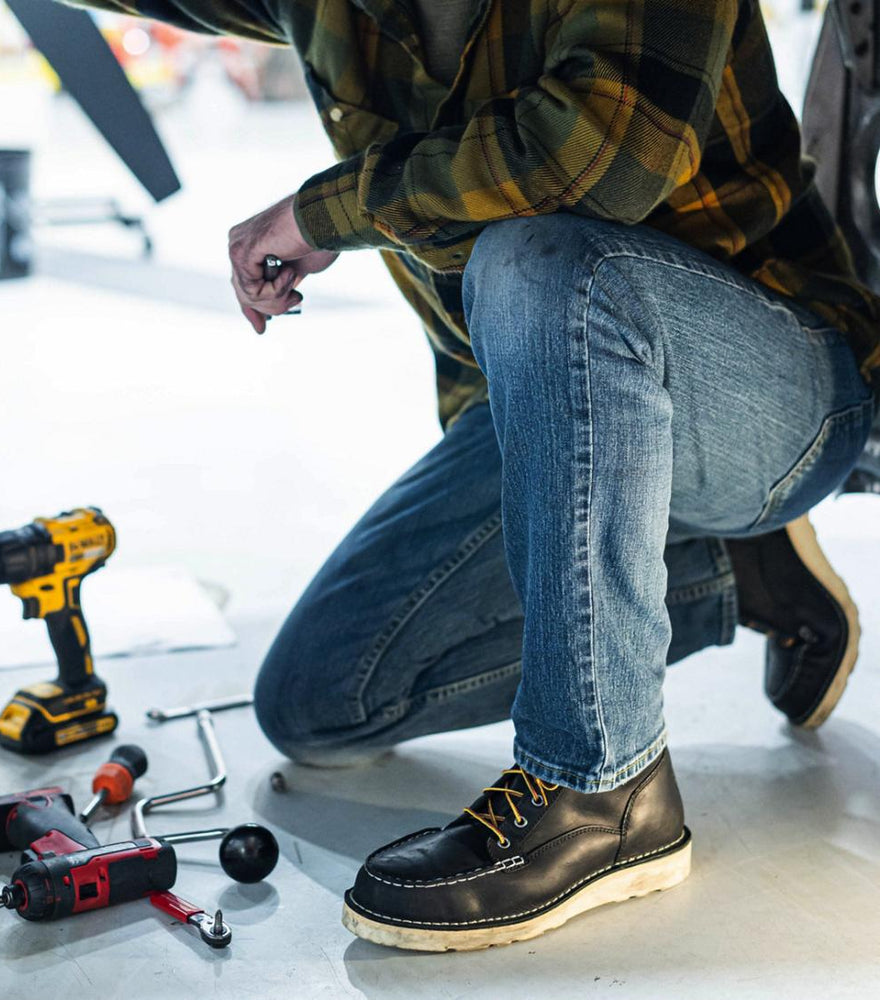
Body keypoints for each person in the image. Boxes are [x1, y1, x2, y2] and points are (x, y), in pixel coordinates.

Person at [76, 0, 879, 950]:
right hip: (561, 419)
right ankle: (717, 570)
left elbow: (603, 150)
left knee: (537, 254)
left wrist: (327, 209)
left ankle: (602, 788)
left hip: (774, 385)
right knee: (322, 700)